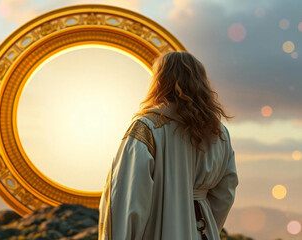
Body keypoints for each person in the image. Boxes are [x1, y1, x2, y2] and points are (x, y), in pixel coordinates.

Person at [98, 51, 239, 240]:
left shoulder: (147, 127)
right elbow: (225, 193)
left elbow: (130, 197)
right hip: (203, 230)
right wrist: (202, 226)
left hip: (160, 229)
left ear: (160, 81)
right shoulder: (218, 132)